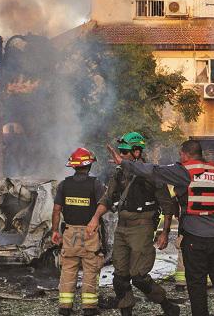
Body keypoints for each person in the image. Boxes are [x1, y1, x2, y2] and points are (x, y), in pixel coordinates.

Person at [108, 139, 214, 316]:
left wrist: (123, 163)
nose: (180, 157)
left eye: (180, 154)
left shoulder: (184, 171)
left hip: (195, 237)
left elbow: (153, 171)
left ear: (185, 154)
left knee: (196, 282)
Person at [87, 132, 179, 316]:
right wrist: (95, 218)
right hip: (122, 227)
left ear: (137, 152)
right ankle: (126, 312)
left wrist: (164, 233)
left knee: (138, 277)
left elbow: (167, 206)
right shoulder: (120, 173)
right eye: (120, 151)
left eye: (124, 151)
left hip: (142, 227)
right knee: (120, 277)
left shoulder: (152, 174)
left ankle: (167, 305)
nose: (120, 154)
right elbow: (107, 198)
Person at [52, 148, 106, 316]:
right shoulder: (95, 184)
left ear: (73, 166)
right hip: (90, 232)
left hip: (69, 232)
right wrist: (95, 219)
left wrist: (55, 231)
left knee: (68, 268)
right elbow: (104, 205)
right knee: (91, 268)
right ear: (89, 165)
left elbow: (56, 210)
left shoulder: (64, 184)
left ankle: (65, 307)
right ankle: (89, 308)